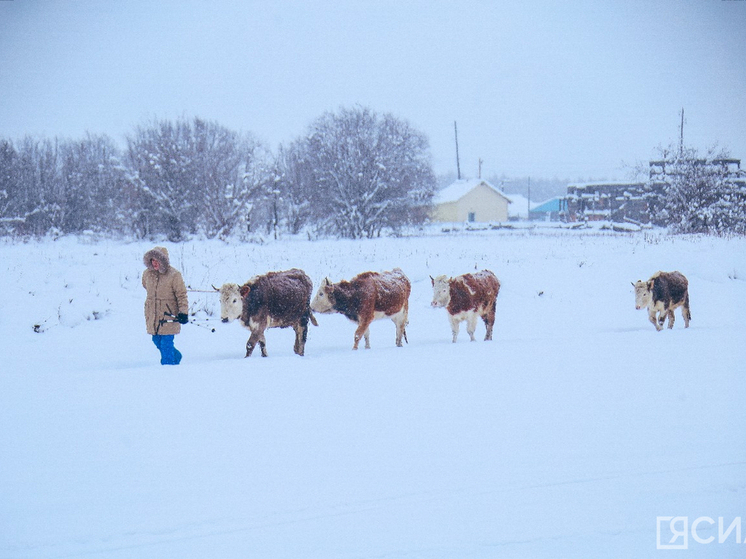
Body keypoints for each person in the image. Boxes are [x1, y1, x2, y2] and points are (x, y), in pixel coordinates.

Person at [142, 246, 189, 365]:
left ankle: (167, 370)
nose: (154, 263)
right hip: (153, 316)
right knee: (156, 340)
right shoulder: (147, 274)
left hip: (169, 315)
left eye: (157, 260)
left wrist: (183, 312)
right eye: (152, 260)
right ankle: (176, 356)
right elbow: (145, 286)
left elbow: (182, 295)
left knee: (166, 344)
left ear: (163, 260)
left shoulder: (174, 275)